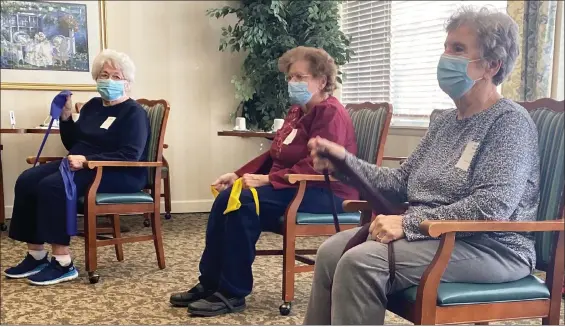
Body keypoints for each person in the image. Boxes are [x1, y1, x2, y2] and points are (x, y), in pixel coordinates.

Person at [304, 6, 539, 325]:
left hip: (493, 247)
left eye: (458, 49)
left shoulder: (509, 123)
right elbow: (400, 180)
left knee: (362, 262)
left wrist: (411, 224)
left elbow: (492, 207)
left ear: (492, 65)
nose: (445, 56)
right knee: (331, 253)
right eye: (446, 47)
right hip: (436, 236)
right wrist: (343, 161)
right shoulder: (445, 122)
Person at [169, 46, 359, 317]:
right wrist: (239, 175)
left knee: (244, 202)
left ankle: (233, 293)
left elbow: (318, 166)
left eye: (300, 77)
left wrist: (268, 181)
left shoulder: (330, 113)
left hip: (326, 191)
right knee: (228, 196)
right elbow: (276, 153)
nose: (293, 83)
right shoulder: (297, 111)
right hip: (293, 185)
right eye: (290, 77)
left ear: (322, 81)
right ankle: (210, 282)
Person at [4, 49, 150, 286]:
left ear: (128, 83)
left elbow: (130, 154)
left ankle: (63, 263)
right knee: (28, 179)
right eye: (104, 75)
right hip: (79, 165)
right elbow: (74, 143)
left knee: (54, 185)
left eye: (116, 76)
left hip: (119, 172)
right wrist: (66, 117)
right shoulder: (93, 106)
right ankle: (36, 255)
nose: (109, 81)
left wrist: (87, 160)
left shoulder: (134, 113)